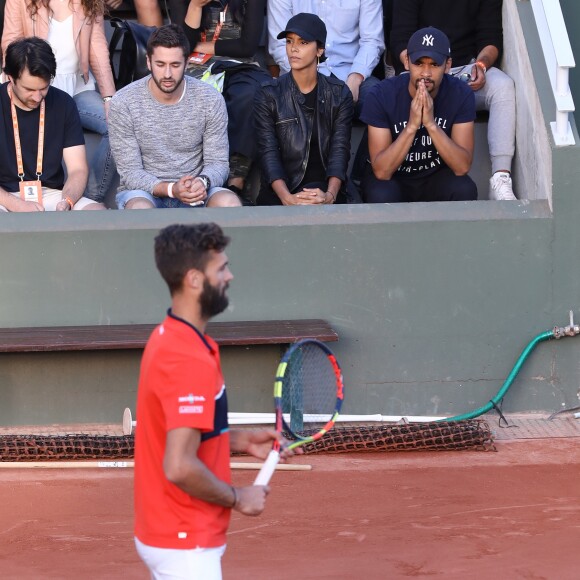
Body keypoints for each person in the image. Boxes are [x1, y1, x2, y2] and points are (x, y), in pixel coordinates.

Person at [134, 222, 295, 579]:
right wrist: (239, 498)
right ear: (194, 279)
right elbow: (178, 465)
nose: (230, 276)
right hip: (184, 538)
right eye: (221, 268)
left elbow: (175, 430)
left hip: (169, 529)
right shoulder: (188, 357)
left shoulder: (171, 337)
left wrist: (236, 440)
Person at [390, 0, 517, 200]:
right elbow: (400, 39)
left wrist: (481, 65)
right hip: (422, 68)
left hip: (464, 72)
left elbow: (490, 37)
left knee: (502, 86)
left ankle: (501, 179)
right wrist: (424, 72)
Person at [108, 24, 241, 209]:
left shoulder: (210, 99)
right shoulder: (124, 102)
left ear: (187, 63)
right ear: (148, 62)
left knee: (229, 203)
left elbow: (218, 163)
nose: (168, 74)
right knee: (140, 209)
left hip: (197, 190)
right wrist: (171, 189)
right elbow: (131, 172)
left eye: (175, 65)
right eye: (160, 64)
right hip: (147, 192)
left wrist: (202, 182)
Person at [2, 0, 118, 204]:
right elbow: (10, 42)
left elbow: (98, 50)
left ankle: (91, 194)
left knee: (118, 123)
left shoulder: (90, 2)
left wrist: (109, 97)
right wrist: (13, 83)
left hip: (76, 87)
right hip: (31, 80)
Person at [360, 27, 477, 203]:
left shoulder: (460, 94)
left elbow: (462, 167)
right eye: (419, 63)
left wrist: (430, 124)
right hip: (394, 178)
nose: (426, 73)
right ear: (407, 62)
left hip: (436, 179)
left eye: (435, 64)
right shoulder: (381, 95)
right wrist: (412, 126)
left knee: (464, 188)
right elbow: (382, 171)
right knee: (381, 193)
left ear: (448, 65)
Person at [254, 13, 353, 205]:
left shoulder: (339, 94)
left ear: (320, 50)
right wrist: (287, 199)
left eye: (303, 42)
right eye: (290, 41)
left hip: (324, 190)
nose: (294, 49)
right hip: (281, 191)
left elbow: (340, 151)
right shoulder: (268, 94)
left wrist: (330, 196)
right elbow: (268, 153)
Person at [181, 0, 271, 201]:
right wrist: (195, 7)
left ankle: (236, 182)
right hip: (194, 65)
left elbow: (246, 46)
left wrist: (201, 46)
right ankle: (190, 180)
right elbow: (182, 44)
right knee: (188, 94)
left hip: (241, 64)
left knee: (252, 94)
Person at [0, 37, 104, 211]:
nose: (37, 97)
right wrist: (17, 205)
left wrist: (68, 201)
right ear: (10, 78)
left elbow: (78, 169)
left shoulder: (63, 103)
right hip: (4, 196)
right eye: (29, 89)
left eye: (44, 88)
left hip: (50, 193)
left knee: (97, 213)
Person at [267, 0, 384, 118]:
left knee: (381, 100)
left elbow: (372, 41)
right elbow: (280, 44)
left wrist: (355, 78)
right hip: (300, 74)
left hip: (350, 72)